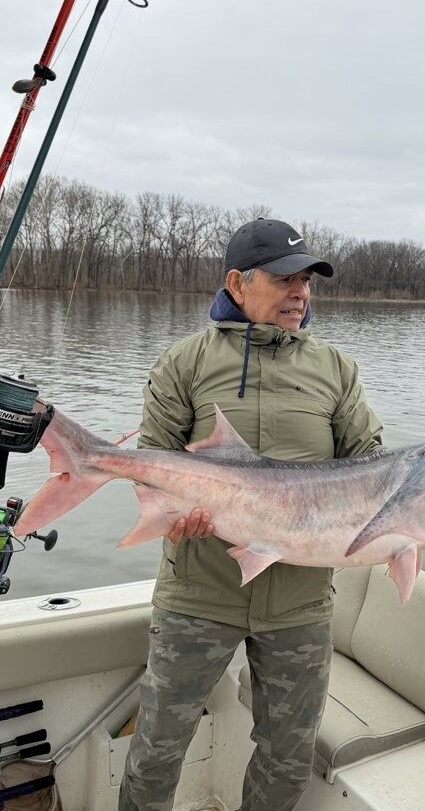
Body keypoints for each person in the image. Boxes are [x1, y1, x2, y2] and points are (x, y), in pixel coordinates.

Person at [119, 217, 383, 811]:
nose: (301, 292)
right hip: (197, 593)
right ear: (237, 283)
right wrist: (170, 513)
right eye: (286, 277)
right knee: (159, 746)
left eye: (309, 280)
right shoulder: (183, 364)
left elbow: (370, 465)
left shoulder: (336, 370)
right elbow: (149, 467)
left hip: (300, 602)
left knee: (288, 753)